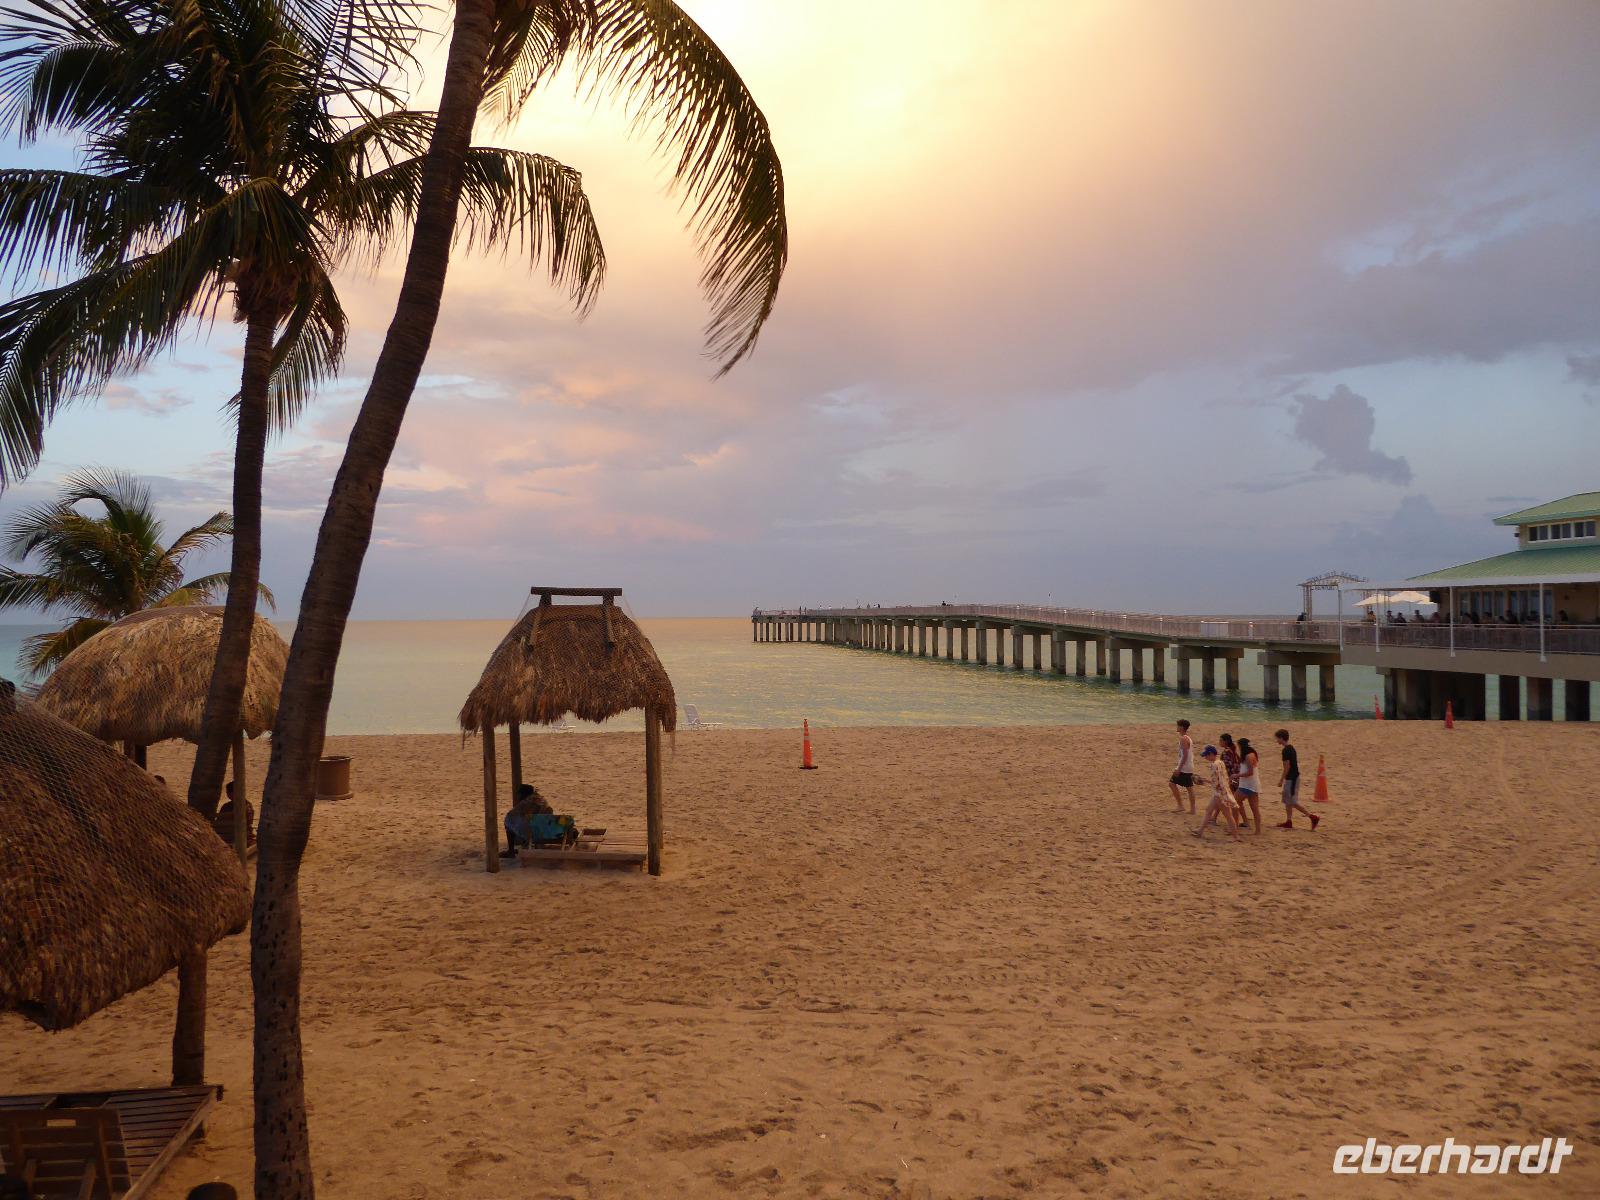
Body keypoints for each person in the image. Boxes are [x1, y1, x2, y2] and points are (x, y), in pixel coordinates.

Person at [1192, 746, 1241, 842]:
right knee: (1209, 811)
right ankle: (1200, 831)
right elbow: (1222, 779)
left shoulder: (1214, 765)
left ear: (1211, 754)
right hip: (1222, 791)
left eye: (1206, 755)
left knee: (1227, 815)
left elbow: (1217, 782)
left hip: (1219, 793)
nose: (1205, 757)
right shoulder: (1220, 762)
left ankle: (1236, 836)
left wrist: (1204, 781)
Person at [1274, 728, 1319, 830]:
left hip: (1292, 779)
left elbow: (1287, 767)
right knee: (1287, 801)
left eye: (1277, 739)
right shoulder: (1291, 748)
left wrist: (1281, 780)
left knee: (1292, 802)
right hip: (1294, 777)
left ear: (1281, 738)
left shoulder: (1285, 750)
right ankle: (1289, 821)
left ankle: (1312, 817)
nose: (1277, 741)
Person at [502, 783, 553, 856]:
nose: (518, 797)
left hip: (533, 833)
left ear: (524, 794)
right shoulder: (542, 800)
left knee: (508, 820)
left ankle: (511, 851)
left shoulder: (527, 802)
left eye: (520, 794)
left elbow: (511, 815)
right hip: (546, 831)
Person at [1234, 736, 1263, 834]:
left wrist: (1237, 775)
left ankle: (1234, 827)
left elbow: (1250, 772)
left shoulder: (1248, 756)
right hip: (1253, 785)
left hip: (1247, 785)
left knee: (1234, 803)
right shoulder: (1252, 753)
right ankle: (1258, 831)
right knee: (1254, 808)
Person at [1168, 719, 1196, 814]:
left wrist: (1179, 769)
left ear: (1182, 727)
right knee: (1189, 787)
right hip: (1188, 766)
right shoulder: (1187, 738)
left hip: (1184, 767)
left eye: (1178, 725)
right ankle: (1192, 809)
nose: (1177, 727)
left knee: (1172, 784)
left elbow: (1185, 755)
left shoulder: (1184, 739)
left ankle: (1180, 806)